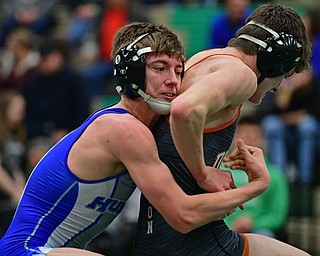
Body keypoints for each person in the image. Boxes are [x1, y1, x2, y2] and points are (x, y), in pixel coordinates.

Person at [0, 21, 269, 256]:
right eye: (160, 68)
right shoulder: (123, 129)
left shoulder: (141, 127)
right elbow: (183, 215)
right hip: (26, 250)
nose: (173, 81)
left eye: (179, 70)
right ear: (132, 73)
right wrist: (255, 186)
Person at [133, 3, 311, 256]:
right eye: (285, 75)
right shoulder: (242, 74)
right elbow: (185, 110)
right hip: (191, 244)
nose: (278, 87)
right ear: (277, 60)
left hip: (170, 236)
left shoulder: (208, 59)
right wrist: (204, 174)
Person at [223, 115, 289, 240]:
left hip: (258, 231)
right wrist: (230, 226)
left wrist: (252, 223)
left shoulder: (275, 175)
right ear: (233, 137)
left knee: (265, 235)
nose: (249, 139)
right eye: (244, 134)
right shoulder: (218, 171)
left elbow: (277, 215)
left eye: (254, 135)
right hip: (222, 229)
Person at [0, 90, 27, 237]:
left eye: (23, 110)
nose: (20, 113)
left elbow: (17, 168)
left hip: (12, 201)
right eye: (17, 109)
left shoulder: (16, 136)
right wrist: (15, 193)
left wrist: (22, 194)